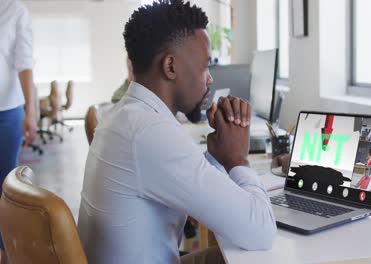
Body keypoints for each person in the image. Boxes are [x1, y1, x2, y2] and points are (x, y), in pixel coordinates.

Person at [77, 1, 276, 264]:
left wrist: (217, 156)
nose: (210, 79)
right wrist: (238, 160)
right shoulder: (150, 132)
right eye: (205, 66)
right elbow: (261, 232)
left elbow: (189, 182)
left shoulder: (125, 115)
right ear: (170, 66)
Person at [0, 0, 37, 262]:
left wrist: (31, 112)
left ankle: (5, 252)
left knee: (4, 187)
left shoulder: (15, 11)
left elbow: (24, 64)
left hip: (7, 112)